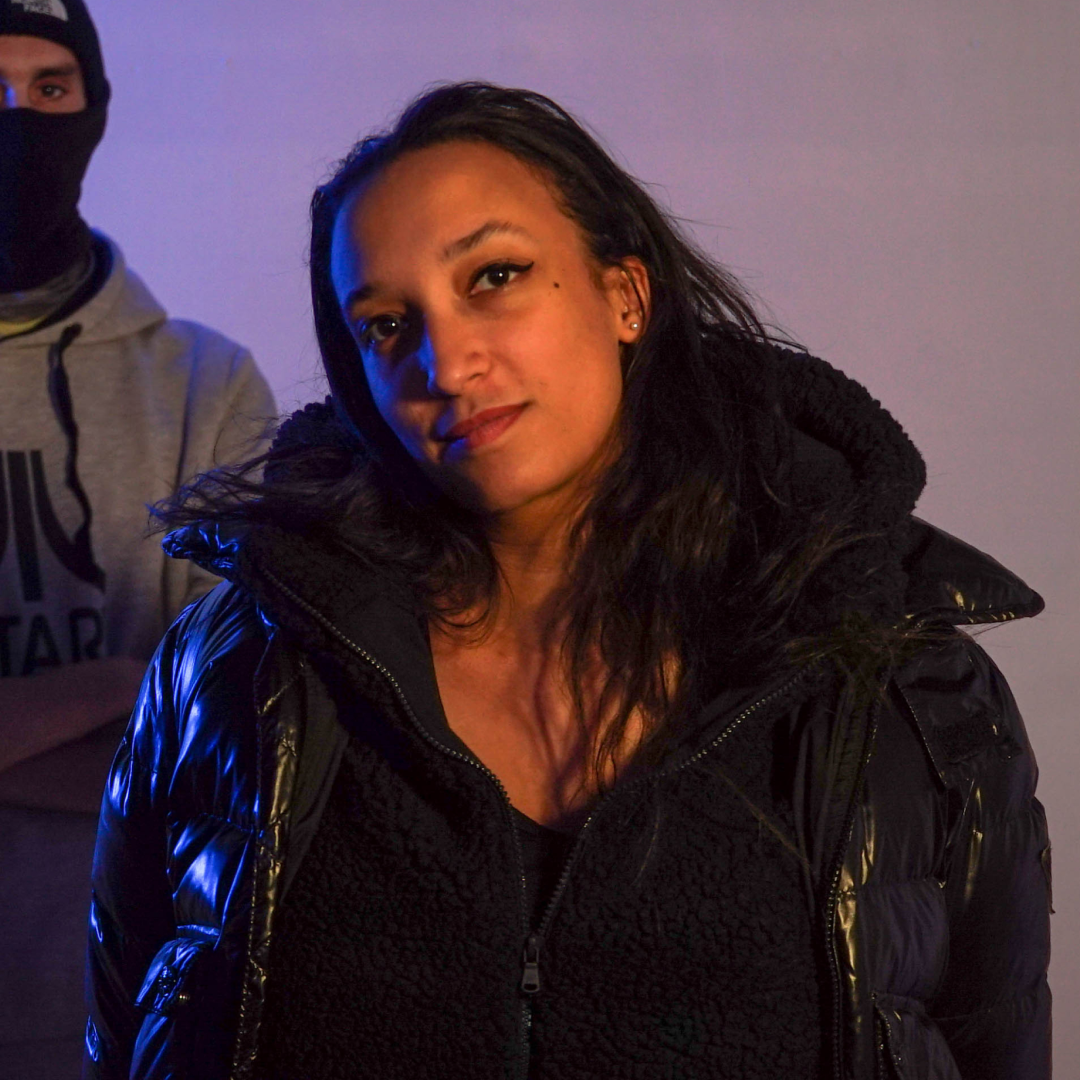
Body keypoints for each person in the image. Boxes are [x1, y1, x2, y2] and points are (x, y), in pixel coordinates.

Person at [84, 83, 1050, 1080]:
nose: (446, 365)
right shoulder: (233, 674)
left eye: (494, 276)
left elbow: (992, 1041)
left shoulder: (902, 684)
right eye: (386, 325)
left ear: (626, 295)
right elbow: (128, 1035)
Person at [0, 1, 276, 1076]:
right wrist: (118, 684)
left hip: (135, 1000)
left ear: (95, 108)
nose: (20, 119)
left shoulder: (209, 386)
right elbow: (159, 722)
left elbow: (225, 742)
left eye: (50, 89)